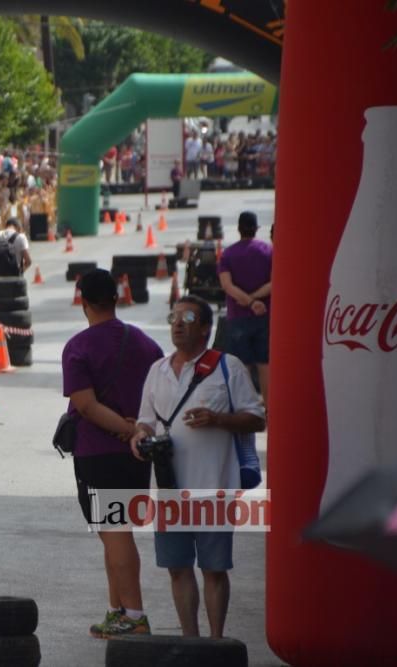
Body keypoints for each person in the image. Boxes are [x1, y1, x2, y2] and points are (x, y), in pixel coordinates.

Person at [129, 296, 266, 639]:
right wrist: (139, 437)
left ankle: (216, 642)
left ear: (205, 328)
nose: (177, 323)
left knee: (214, 569)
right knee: (177, 568)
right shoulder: (157, 371)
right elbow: (145, 421)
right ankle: (192, 641)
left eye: (187, 317)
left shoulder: (227, 367)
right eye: (173, 316)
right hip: (170, 488)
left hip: (214, 486)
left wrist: (218, 418)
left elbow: (256, 419)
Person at [62, 269, 164, 638]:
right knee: (112, 531)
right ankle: (116, 610)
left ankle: (134, 615)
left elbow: (86, 406)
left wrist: (126, 430)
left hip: (99, 452)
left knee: (116, 532)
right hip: (137, 456)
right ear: (117, 298)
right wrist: (139, 430)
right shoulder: (147, 345)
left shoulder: (79, 347)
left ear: (82, 301)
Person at [218, 211, 273, 407]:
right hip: (265, 316)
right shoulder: (269, 251)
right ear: (257, 228)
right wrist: (257, 300)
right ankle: (268, 409)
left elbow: (227, 286)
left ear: (239, 229)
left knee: (242, 367)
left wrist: (248, 302)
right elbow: (275, 282)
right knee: (265, 365)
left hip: (238, 318)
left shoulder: (228, 254)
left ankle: (247, 408)